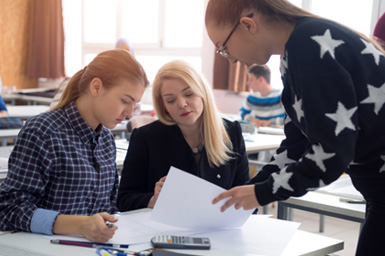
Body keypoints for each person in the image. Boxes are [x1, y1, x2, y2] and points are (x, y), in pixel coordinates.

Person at [205, 0, 385, 255]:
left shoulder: (308, 47)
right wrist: (248, 192)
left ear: (248, 25)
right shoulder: (295, 51)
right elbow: (296, 144)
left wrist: (262, 192)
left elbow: (332, 155)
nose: (230, 60)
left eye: (223, 48)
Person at [0, 49, 149, 242]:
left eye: (134, 104)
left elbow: (110, 209)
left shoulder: (106, 140)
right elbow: (8, 209)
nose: (129, 113)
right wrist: (80, 225)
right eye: (124, 101)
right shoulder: (43, 132)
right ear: (96, 87)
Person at [117, 60, 250, 211]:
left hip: (220, 229)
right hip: (162, 231)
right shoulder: (145, 137)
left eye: (189, 94)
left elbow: (247, 199)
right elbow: (124, 200)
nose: (181, 104)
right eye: (171, 100)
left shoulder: (231, 132)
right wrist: (154, 199)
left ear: (203, 93)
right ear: (163, 106)